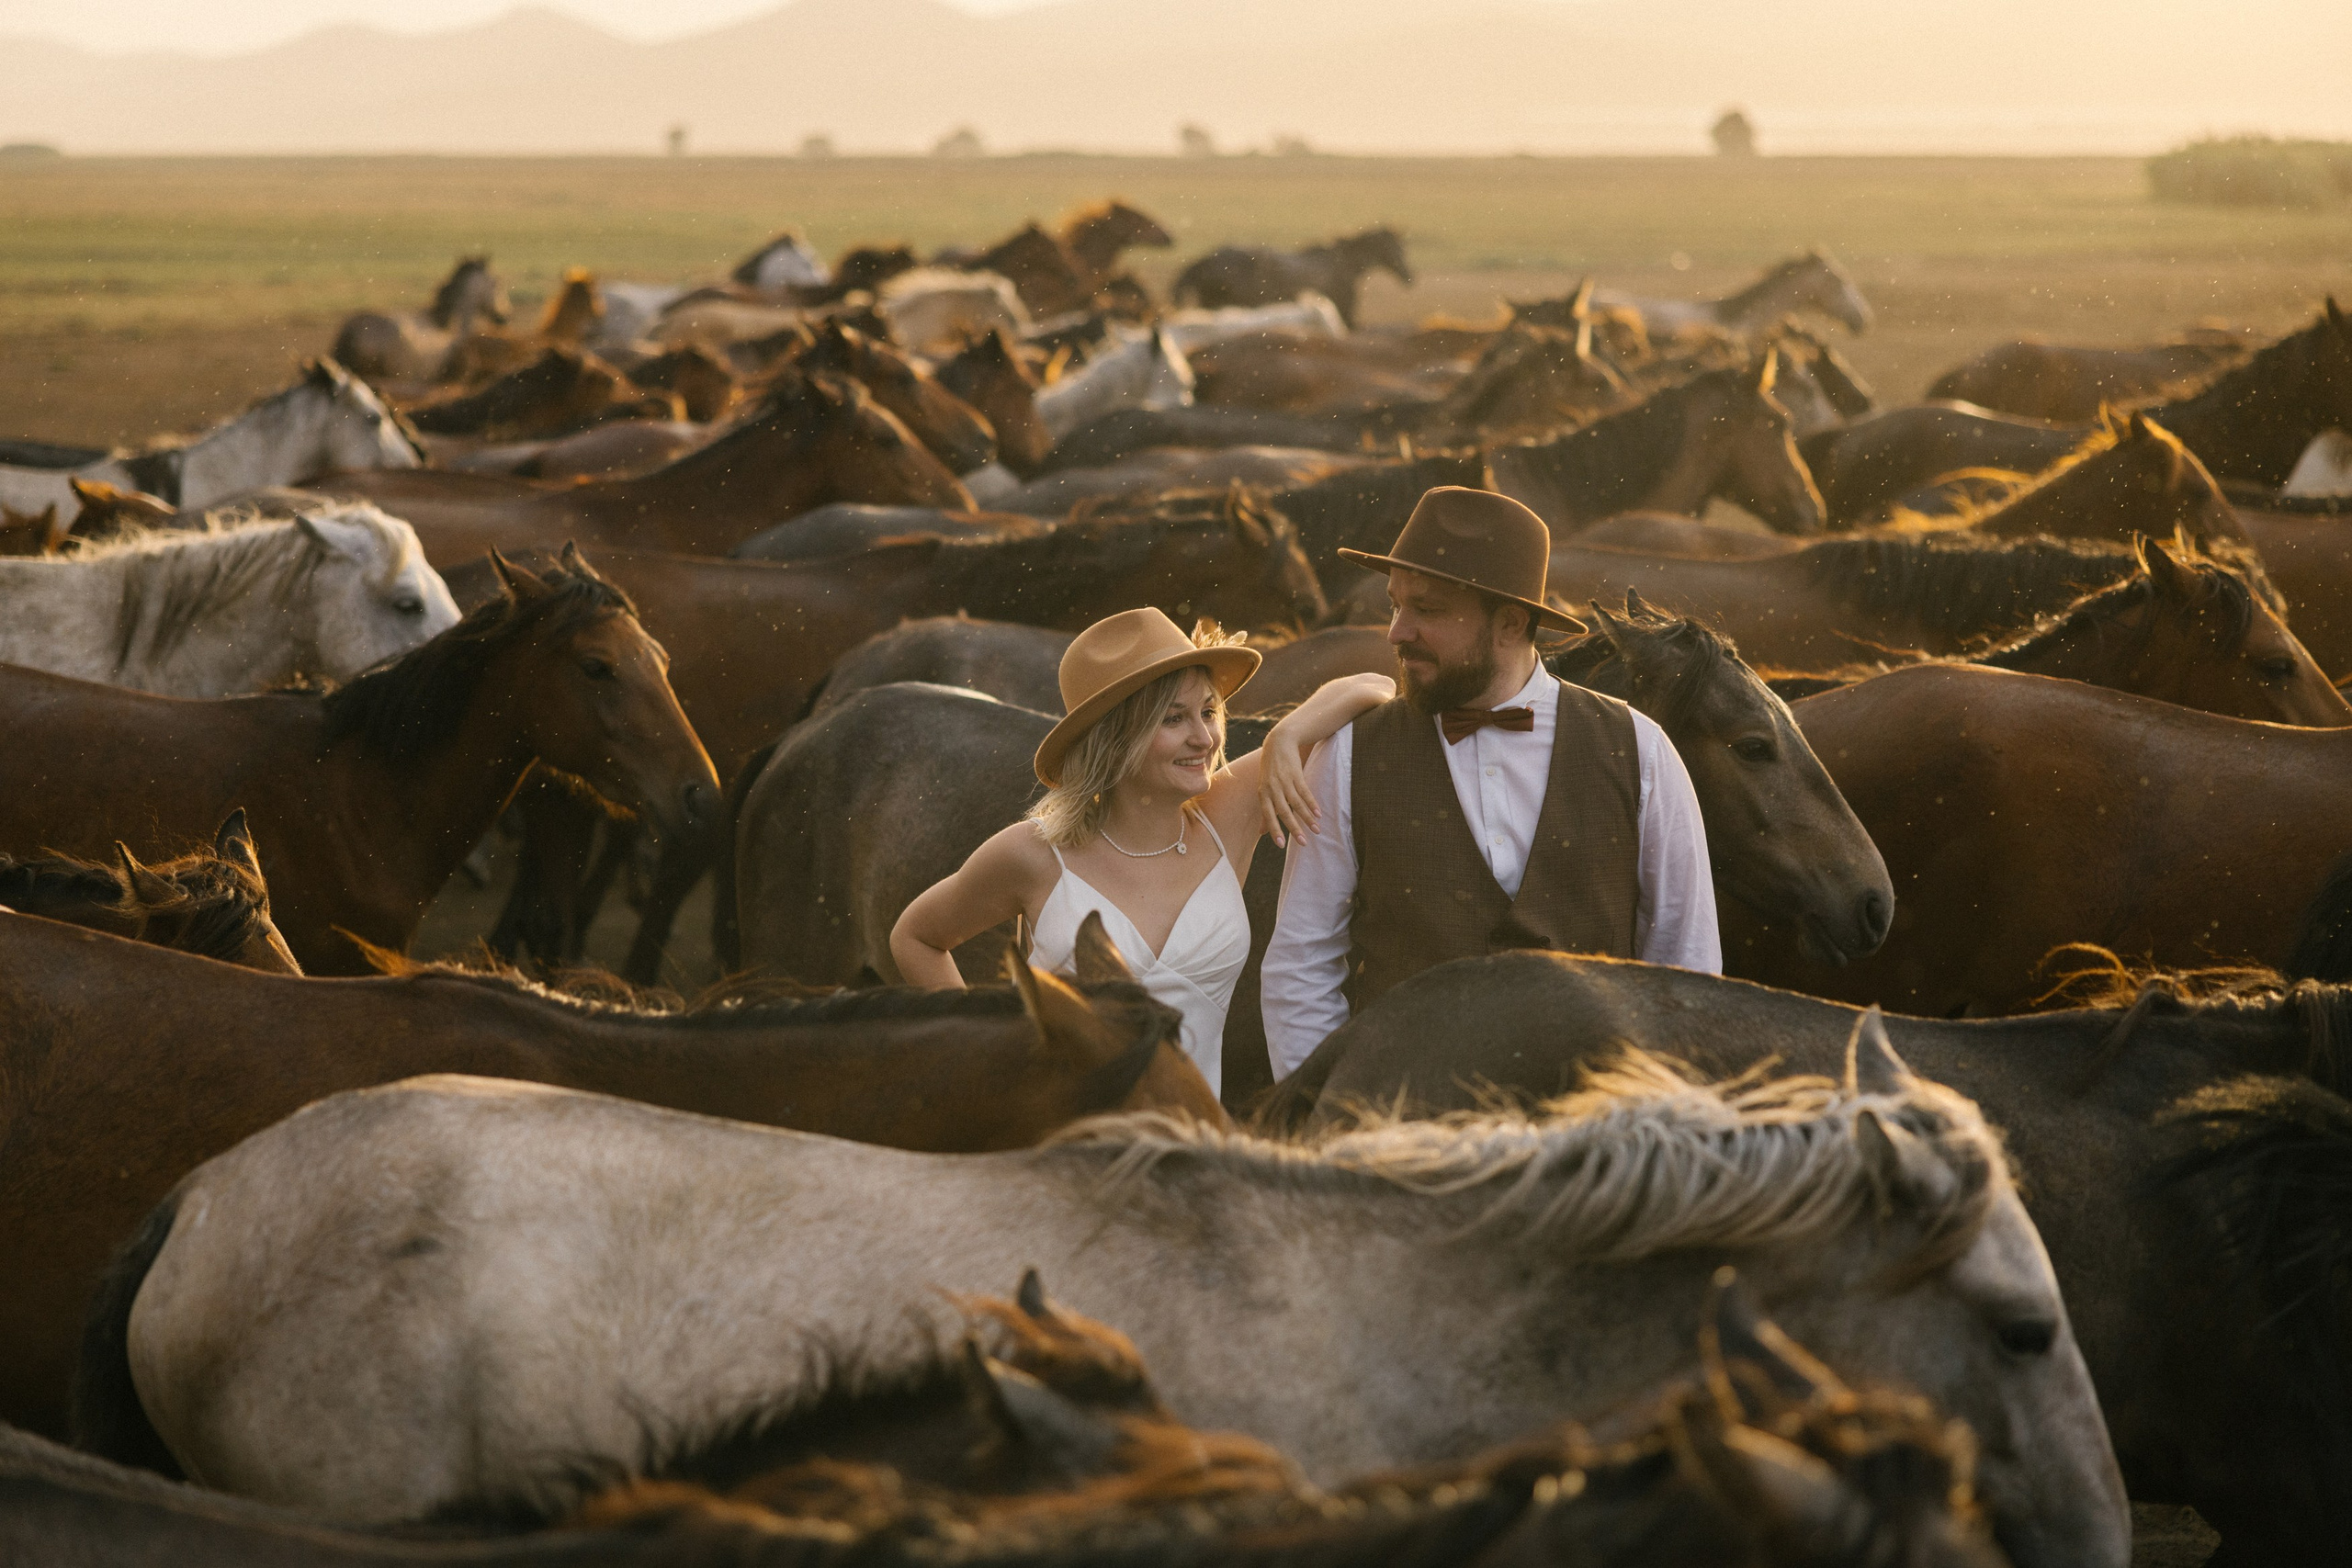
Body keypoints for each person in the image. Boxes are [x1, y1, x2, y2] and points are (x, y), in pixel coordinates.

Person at [1261, 487, 1720, 1079]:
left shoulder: (1640, 749)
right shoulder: (1350, 752)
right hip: (1405, 1137)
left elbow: (1687, 961)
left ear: (1509, 622)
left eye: (1426, 610)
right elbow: (1302, 964)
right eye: (1395, 605)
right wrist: (1325, 1117)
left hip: (1595, 1132)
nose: (1397, 633)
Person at [890, 607, 1390, 1097]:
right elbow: (916, 937)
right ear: (1115, 737)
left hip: (1187, 1144)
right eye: (1174, 719)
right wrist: (989, 1063)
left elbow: (1374, 684)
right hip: (1066, 1147)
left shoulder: (1226, 815)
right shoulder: (1034, 854)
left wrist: (1288, 735)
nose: (1205, 737)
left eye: (1209, 712)